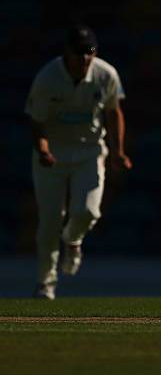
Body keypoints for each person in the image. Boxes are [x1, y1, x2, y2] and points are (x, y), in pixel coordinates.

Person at [25, 25, 132, 300]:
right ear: (67, 52)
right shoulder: (47, 78)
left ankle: (72, 240)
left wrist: (117, 151)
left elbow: (114, 112)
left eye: (90, 52)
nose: (85, 58)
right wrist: (43, 149)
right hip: (53, 154)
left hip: (90, 151)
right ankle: (45, 283)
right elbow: (37, 120)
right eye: (79, 52)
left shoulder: (105, 74)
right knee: (50, 220)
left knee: (87, 211)